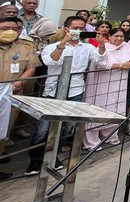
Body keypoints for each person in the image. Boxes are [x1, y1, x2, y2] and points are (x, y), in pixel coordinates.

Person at [26, 16, 107, 175]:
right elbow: (50, 61)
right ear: (66, 29)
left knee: (67, 126)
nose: (79, 31)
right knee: (43, 128)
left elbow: (100, 60)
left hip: (76, 90)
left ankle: (54, 155)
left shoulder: (87, 47)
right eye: (75, 27)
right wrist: (63, 43)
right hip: (53, 91)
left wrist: (102, 45)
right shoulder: (53, 46)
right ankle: (35, 159)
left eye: (82, 28)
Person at [0, 17, 40, 180]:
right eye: (4, 28)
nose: (9, 31)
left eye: (13, 28)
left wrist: (18, 83)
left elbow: (31, 68)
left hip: (12, 95)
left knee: (4, 130)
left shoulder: (26, 47)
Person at [82, 27, 130, 150]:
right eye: (116, 36)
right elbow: (100, 63)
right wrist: (121, 65)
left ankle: (110, 136)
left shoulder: (126, 46)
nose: (119, 39)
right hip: (102, 83)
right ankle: (92, 141)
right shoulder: (103, 48)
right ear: (109, 37)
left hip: (119, 83)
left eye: (121, 36)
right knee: (98, 108)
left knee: (114, 107)